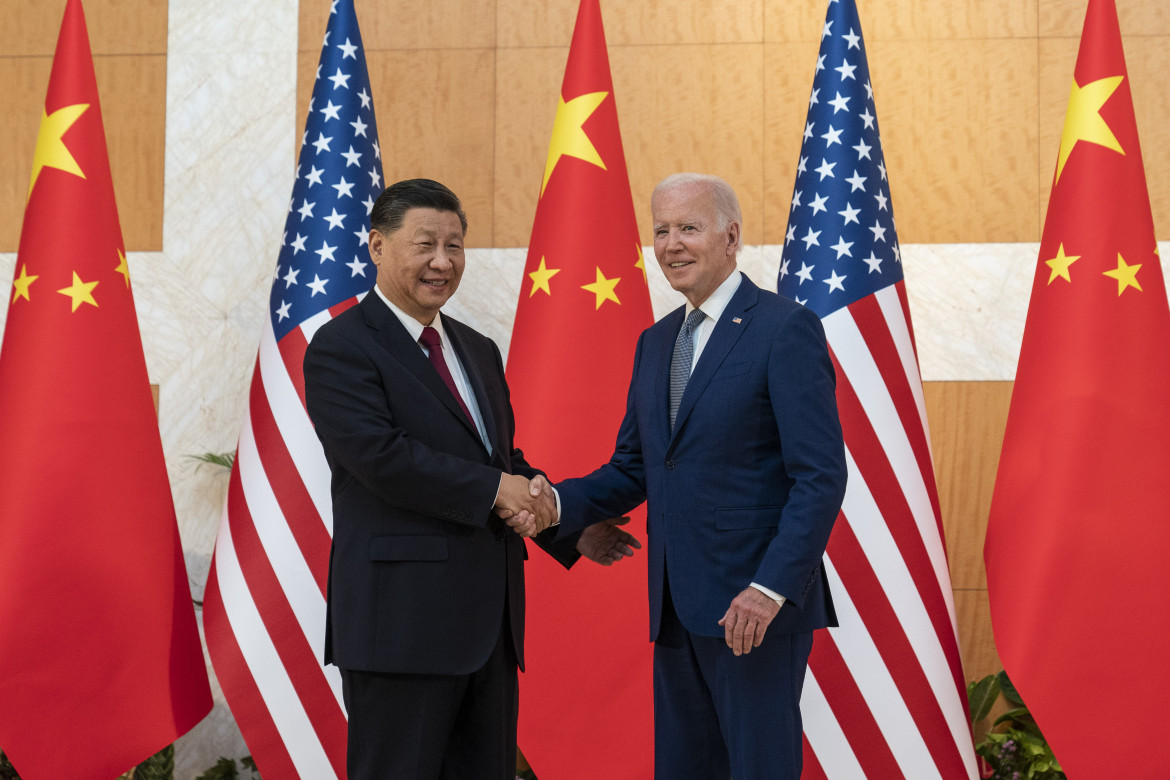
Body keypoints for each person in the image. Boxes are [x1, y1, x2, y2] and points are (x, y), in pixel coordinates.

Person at [303, 178, 638, 779]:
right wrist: (497, 490)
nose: (442, 261)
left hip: (489, 627)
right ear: (377, 246)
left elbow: (499, 461)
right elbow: (382, 457)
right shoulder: (341, 347)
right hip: (401, 630)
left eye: (455, 246)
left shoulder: (476, 347)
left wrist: (563, 521)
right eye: (424, 244)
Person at [550, 173, 847, 778]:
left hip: (753, 611)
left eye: (689, 227)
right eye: (660, 230)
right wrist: (553, 504)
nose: (671, 244)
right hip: (676, 604)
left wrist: (768, 590)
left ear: (731, 236)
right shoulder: (656, 342)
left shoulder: (783, 328)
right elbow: (636, 468)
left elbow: (820, 476)